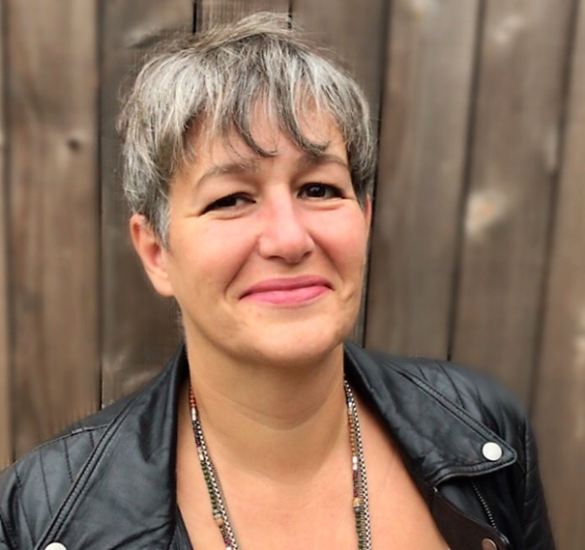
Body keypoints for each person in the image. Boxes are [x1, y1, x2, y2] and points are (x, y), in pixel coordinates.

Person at [0, 13, 555, 550]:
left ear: (363, 219)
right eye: (230, 199)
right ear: (156, 253)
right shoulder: (43, 516)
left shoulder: (485, 428)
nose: (289, 240)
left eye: (318, 189)